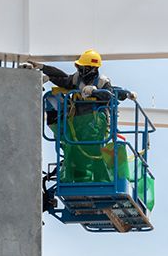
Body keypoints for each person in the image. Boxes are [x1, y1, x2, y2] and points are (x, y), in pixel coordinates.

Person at [24, 50, 136, 183]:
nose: (81, 70)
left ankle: (102, 182)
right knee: (76, 153)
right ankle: (80, 181)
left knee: (96, 153)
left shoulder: (102, 82)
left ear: (93, 68)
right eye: (79, 67)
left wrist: (96, 91)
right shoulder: (78, 78)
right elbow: (64, 78)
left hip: (95, 125)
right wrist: (44, 70)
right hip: (78, 124)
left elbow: (109, 96)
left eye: (84, 67)